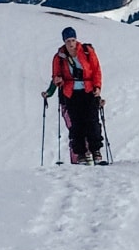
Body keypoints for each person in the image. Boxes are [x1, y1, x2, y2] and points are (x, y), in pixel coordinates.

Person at [42, 26, 105, 164]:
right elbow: (55, 75)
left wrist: (97, 87)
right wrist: (57, 80)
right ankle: (81, 154)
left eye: (73, 40)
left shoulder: (88, 52)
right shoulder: (59, 57)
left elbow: (96, 71)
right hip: (71, 93)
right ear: (64, 42)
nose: (71, 44)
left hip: (88, 91)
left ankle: (96, 151)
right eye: (68, 41)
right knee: (76, 124)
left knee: (92, 122)